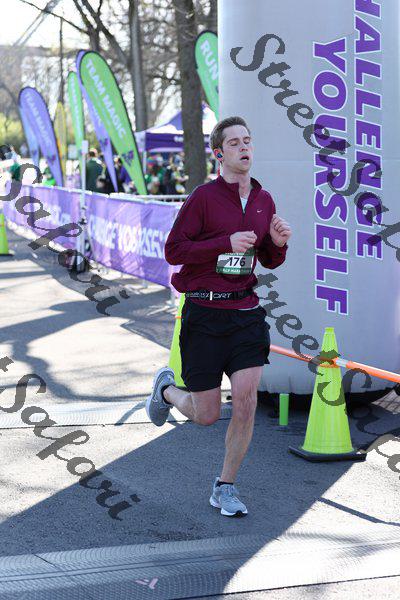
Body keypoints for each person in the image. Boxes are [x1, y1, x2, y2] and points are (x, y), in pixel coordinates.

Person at [146, 116, 292, 517]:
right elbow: (174, 251)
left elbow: (267, 258)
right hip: (205, 314)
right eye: (234, 143)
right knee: (207, 414)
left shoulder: (264, 200)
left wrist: (278, 244)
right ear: (219, 154)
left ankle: (225, 486)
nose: (244, 147)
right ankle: (166, 391)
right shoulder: (204, 198)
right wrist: (223, 242)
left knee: (245, 401)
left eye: (248, 140)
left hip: (245, 314)